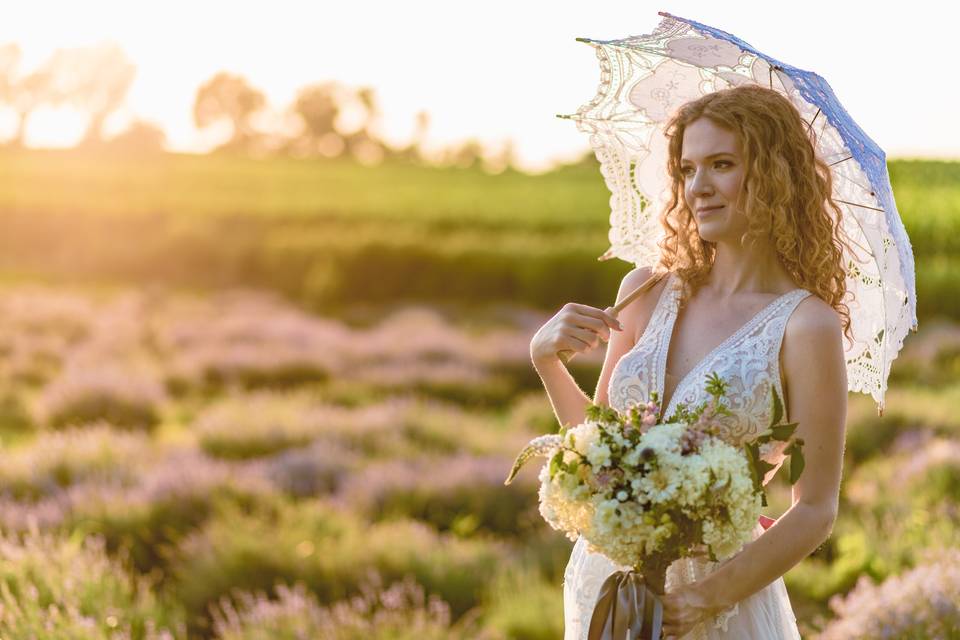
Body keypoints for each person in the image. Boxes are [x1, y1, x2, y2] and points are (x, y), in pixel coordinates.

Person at [529, 85, 850, 639]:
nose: (698, 187)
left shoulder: (807, 326)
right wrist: (546, 362)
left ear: (776, 175)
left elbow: (814, 507)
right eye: (687, 169)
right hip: (608, 577)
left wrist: (706, 598)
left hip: (721, 597)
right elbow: (598, 447)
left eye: (721, 165)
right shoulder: (645, 291)